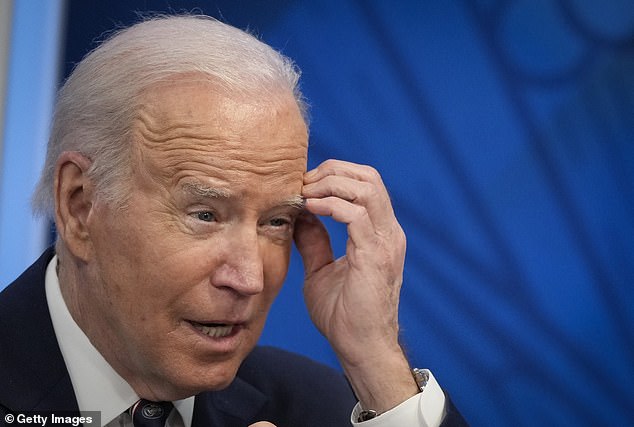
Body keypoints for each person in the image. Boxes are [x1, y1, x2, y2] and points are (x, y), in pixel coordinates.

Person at [0, 15, 468, 427]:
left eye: (276, 222)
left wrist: (377, 362)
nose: (249, 279)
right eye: (205, 215)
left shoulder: (319, 406)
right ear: (80, 205)